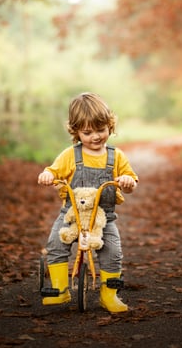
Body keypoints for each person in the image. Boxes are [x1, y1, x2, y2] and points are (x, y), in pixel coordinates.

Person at [37, 92, 138, 313]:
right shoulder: (70, 155)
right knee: (56, 242)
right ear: (75, 131)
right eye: (87, 132)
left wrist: (127, 182)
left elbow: (131, 182)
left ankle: (109, 295)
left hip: (104, 219)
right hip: (71, 214)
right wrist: (47, 175)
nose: (95, 137)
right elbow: (53, 171)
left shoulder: (116, 157)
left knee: (113, 249)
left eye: (101, 130)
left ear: (110, 126)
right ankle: (60, 289)